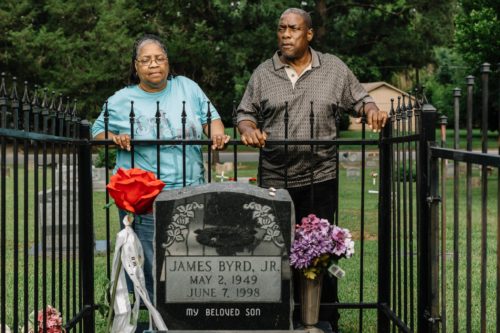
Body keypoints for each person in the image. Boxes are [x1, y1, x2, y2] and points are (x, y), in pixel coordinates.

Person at [236, 7, 388, 328]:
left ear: (309, 34)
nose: (286, 35)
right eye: (281, 29)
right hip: (275, 178)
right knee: (275, 251)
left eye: (293, 29)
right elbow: (244, 112)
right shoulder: (264, 73)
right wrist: (248, 128)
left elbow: (360, 99)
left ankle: (323, 319)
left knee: (320, 253)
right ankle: (278, 318)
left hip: (321, 176)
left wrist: (372, 108)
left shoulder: (333, 68)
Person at [92, 34, 229, 301]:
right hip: (144, 196)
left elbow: (212, 119)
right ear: (136, 66)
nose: (153, 64)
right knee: (152, 266)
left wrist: (216, 134)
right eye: (146, 60)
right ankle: (160, 322)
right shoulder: (122, 99)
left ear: (167, 62)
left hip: (190, 189)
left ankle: (186, 319)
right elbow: (97, 132)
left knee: (190, 258)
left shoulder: (187, 88)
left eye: (159, 58)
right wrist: (114, 138)